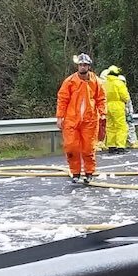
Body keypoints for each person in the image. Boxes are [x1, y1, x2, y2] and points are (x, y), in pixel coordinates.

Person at [55, 53, 106, 184]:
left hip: (90, 120)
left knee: (88, 148)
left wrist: (103, 113)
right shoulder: (70, 81)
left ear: (89, 66)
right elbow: (62, 99)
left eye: (85, 65)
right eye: (80, 65)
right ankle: (75, 172)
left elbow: (101, 99)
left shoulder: (96, 81)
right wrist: (60, 117)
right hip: (72, 120)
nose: (82, 67)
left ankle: (89, 172)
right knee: (71, 147)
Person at [99, 65, 131, 152]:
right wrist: (126, 102)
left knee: (110, 126)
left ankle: (111, 146)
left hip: (107, 105)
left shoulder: (105, 83)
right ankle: (120, 146)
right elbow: (125, 96)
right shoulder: (119, 82)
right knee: (121, 126)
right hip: (118, 105)